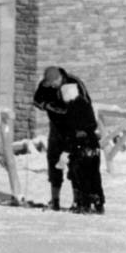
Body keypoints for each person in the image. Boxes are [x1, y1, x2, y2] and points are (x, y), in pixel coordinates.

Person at [33, 65, 103, 213]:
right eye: (49, 84)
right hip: (56, 127)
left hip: (74, 128)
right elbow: (37, 100)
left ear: (60, 78)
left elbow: (83, 106)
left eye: (54, 83)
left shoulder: (74, 83)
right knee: (54, 161)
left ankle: (79, 200)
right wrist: (47, 106)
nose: (52, 86)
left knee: (76, 164)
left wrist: (66, 109)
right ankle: (55, 200)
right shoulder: (45, 85)